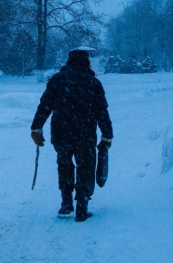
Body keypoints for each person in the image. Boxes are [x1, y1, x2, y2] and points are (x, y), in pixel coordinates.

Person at [30, 49, 113, 222]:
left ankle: (66, 202)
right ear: (86, 62)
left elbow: (44, 106)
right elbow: (102, 112)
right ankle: (82, 208)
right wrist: (107, 136)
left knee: (64, 165)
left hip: (62, 133)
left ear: (69, 61)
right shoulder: (93, 83)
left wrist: (36, 128)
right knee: (85, 167)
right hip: (85, 134)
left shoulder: (57, 80)